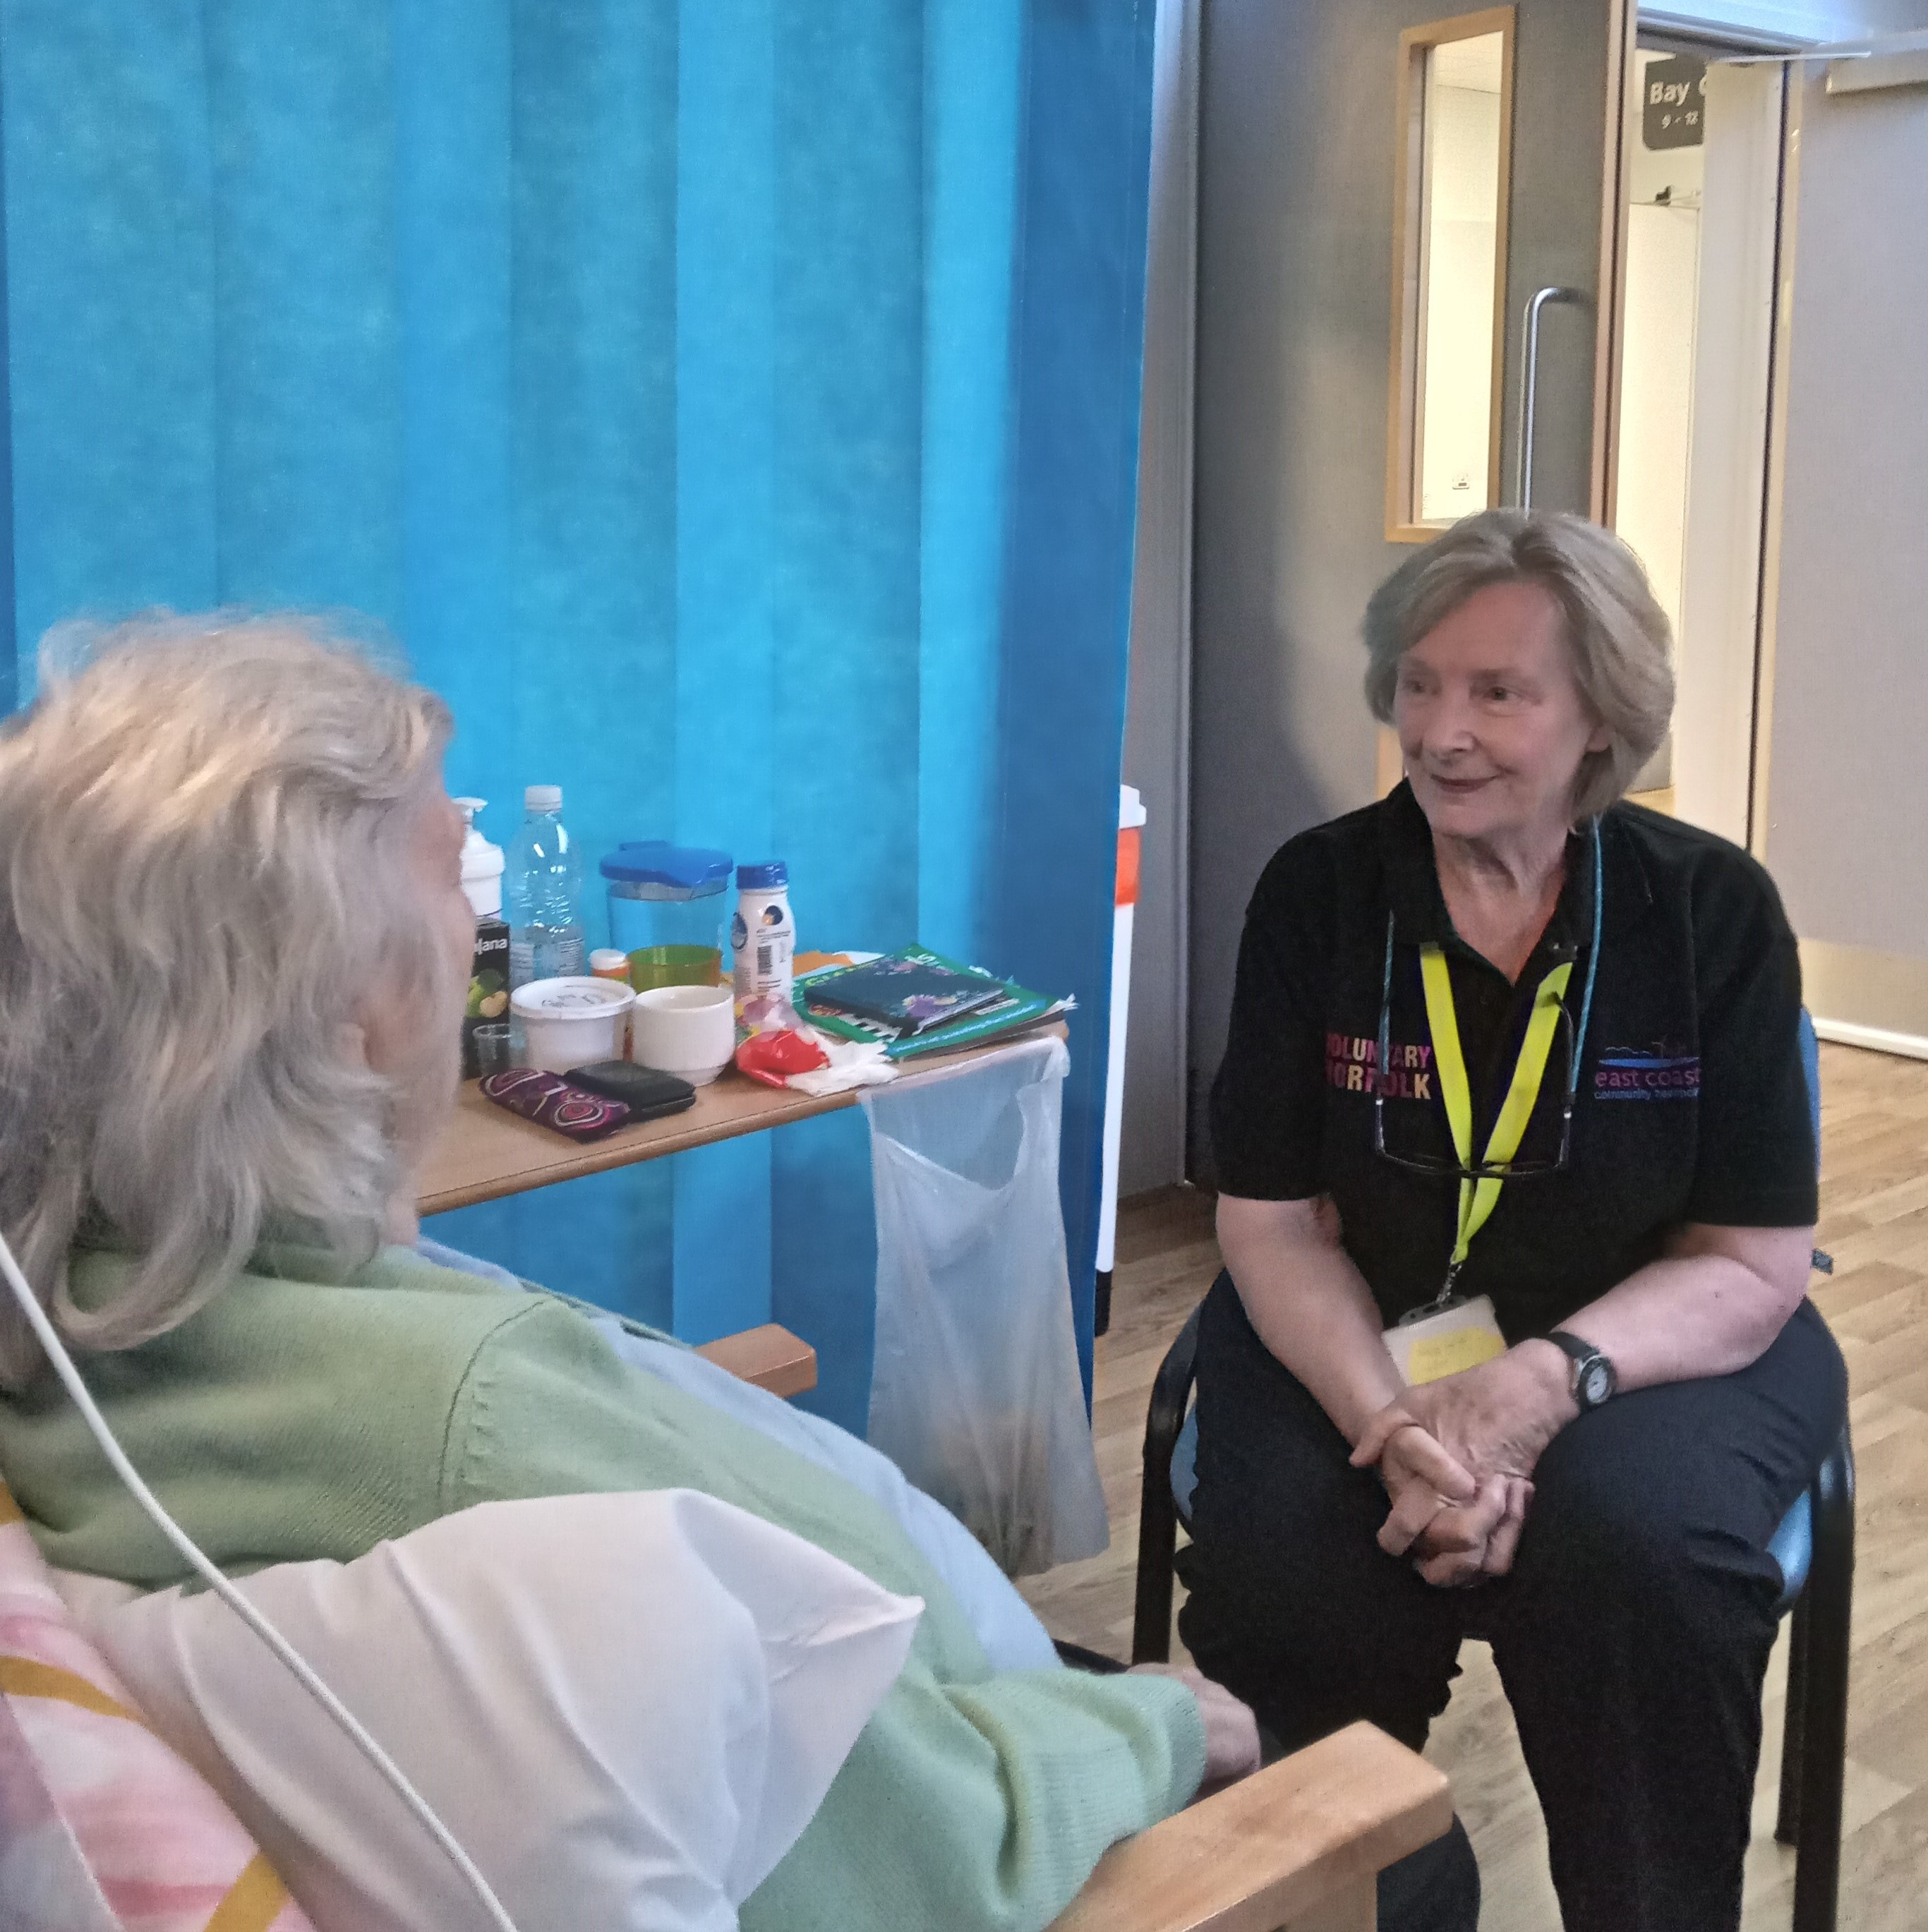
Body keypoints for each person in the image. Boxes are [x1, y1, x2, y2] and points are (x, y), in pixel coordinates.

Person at [0, 612, 1260, 1932]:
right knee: (1414, 1863)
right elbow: (933, 1843)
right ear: (339, 1007)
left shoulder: (85, 1325)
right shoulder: (469, 1422)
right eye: (455, 886)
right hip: (994, 1755)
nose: (481, 934)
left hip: (942, 1689)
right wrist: (1149, 1724)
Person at [1183, 509, 1847, 1932]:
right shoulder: (1321, 890)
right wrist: (1403, 1427)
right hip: (1365, 1325)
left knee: (1639, 1552)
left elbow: (1749, 1258)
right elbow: (1271, 1222)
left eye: (1498, 691)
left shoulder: (1706, 911)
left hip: (1644, 1338)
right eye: (1421, 682)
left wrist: (1541, 1387)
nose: (1441, 730)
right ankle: (1324, 1901)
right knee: (1294, 1556)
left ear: (1601, 713)